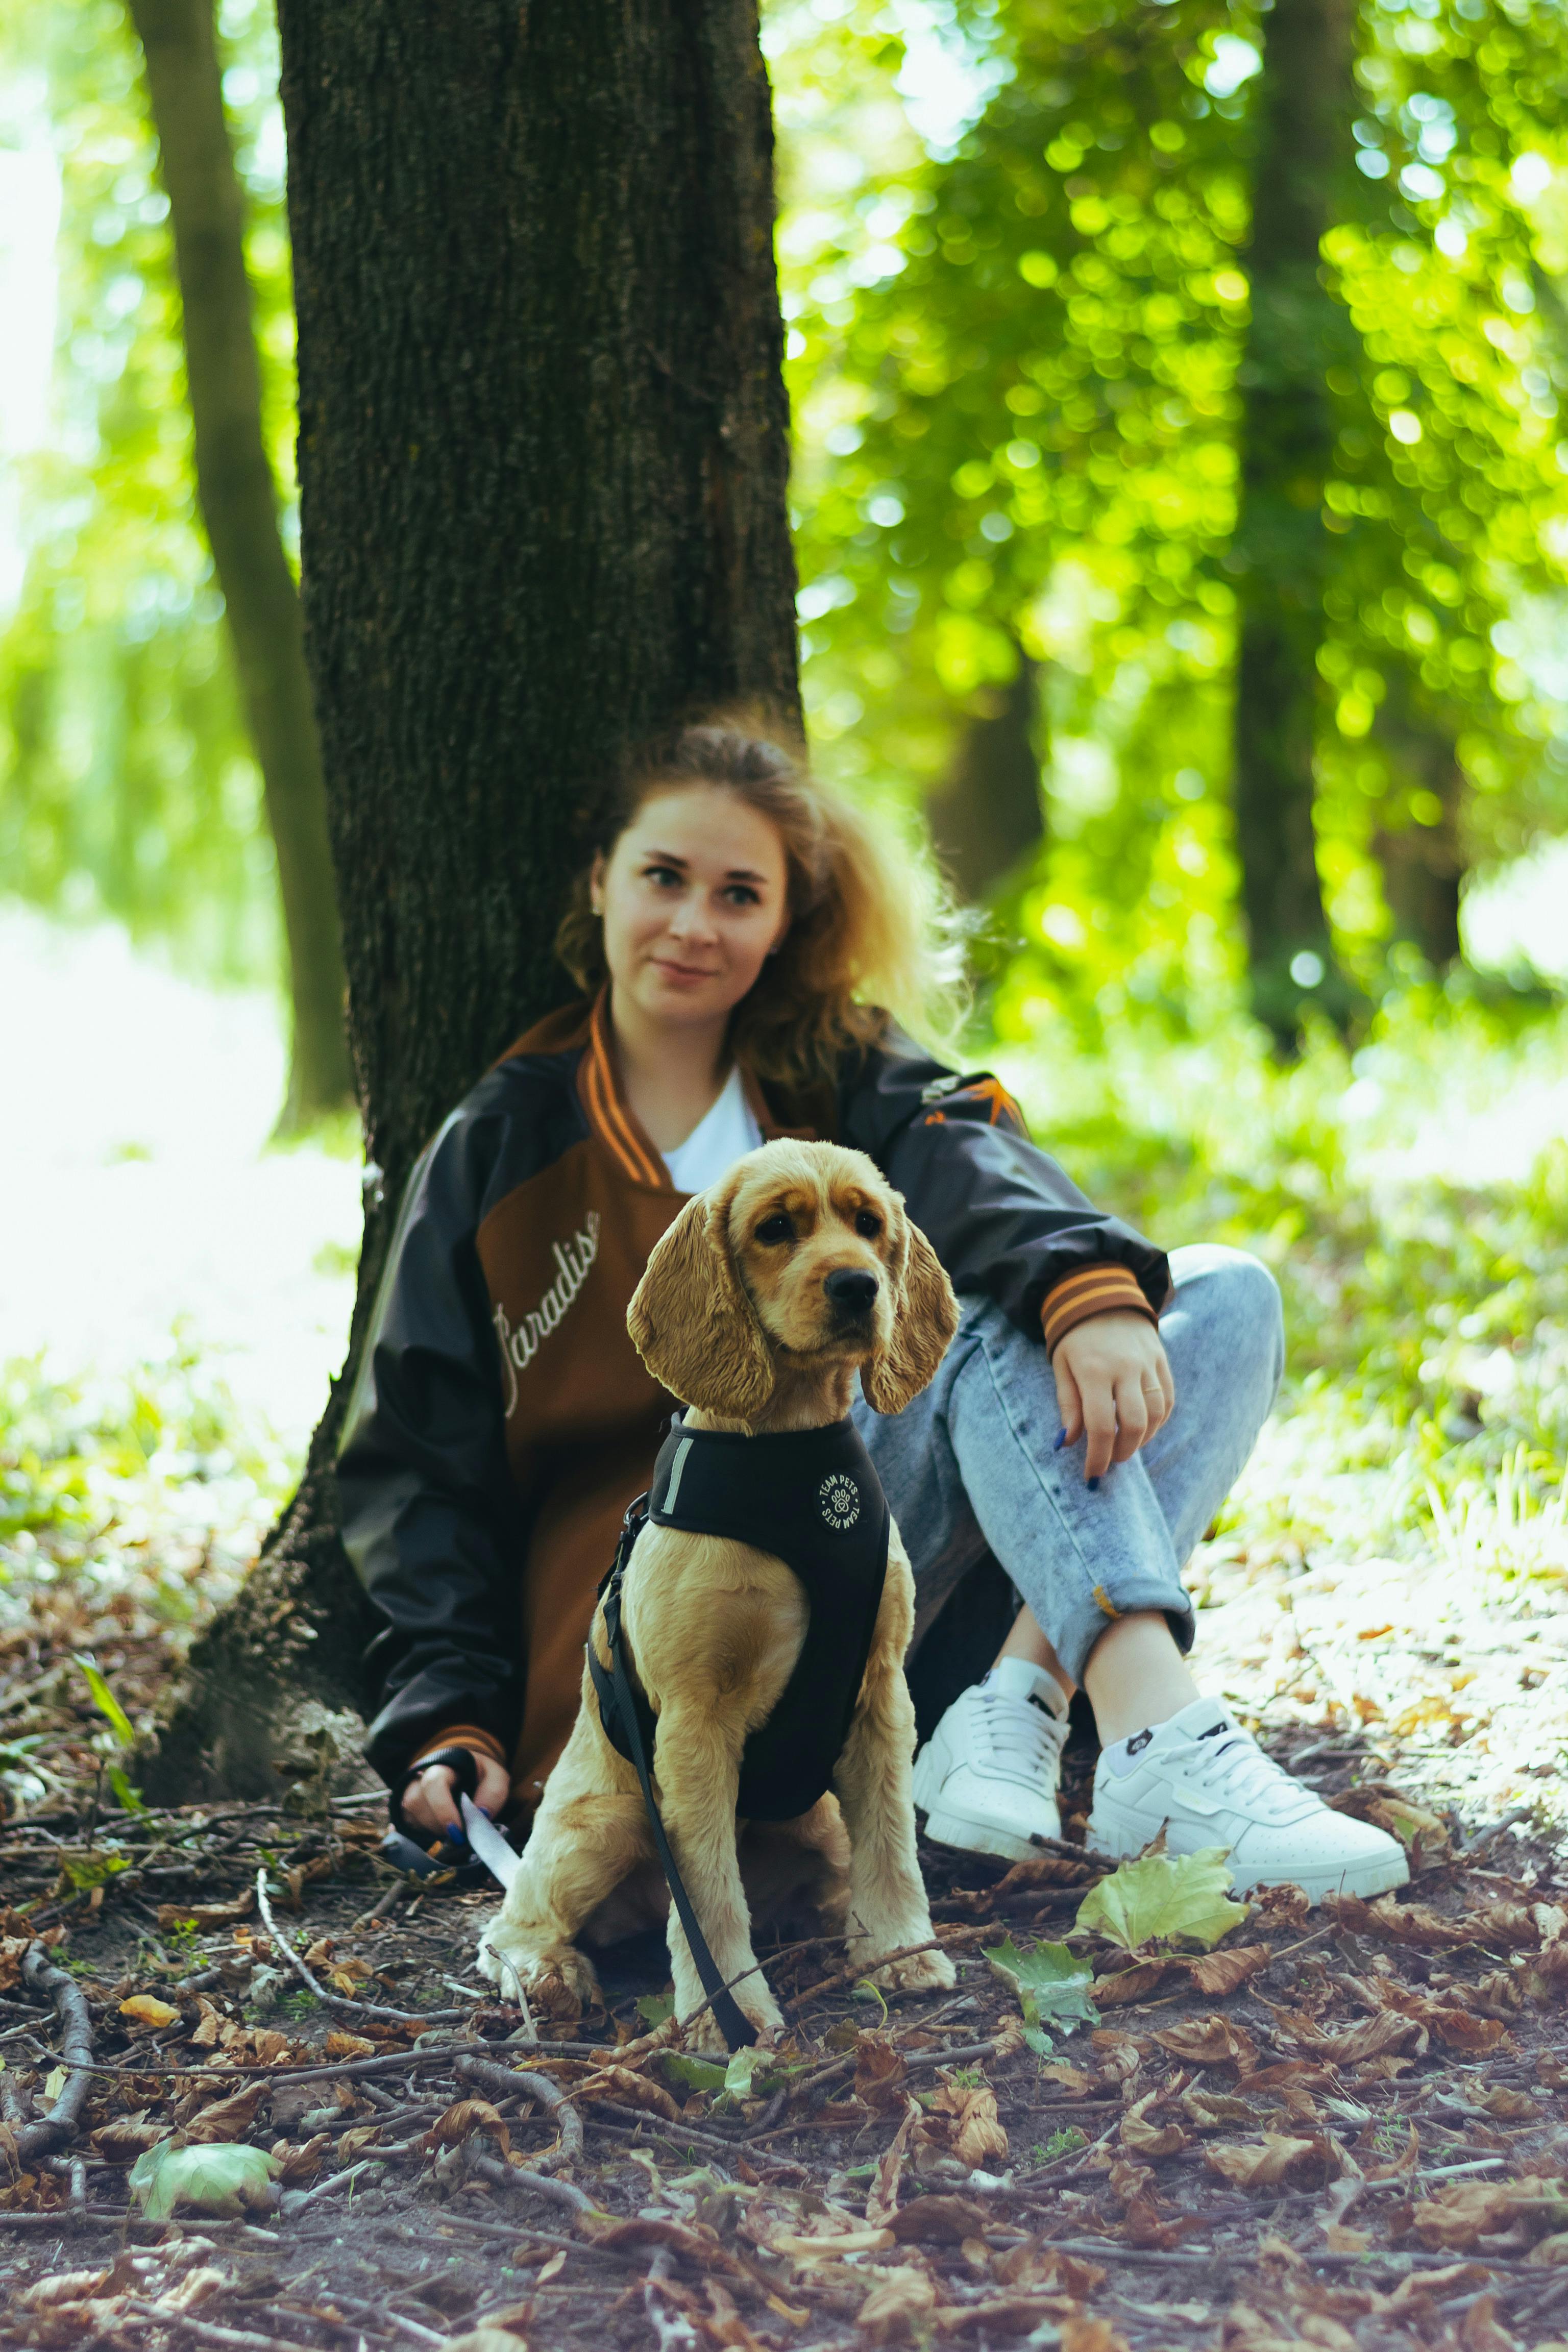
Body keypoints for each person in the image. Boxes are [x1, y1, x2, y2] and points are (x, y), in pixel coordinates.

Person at [338, 716, 1406, 1905]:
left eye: (739, 894)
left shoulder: (840, 1071)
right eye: (663, 878)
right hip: (659, 1638)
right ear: (600, 881)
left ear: (785, 920)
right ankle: (1137, 1729)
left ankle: (1018, 1713)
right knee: (969, 1331)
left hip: (873, 1594)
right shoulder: (502, 1141)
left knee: (1220, 1298)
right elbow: (417, 1463)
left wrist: (1084, 1288)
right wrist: (449, 1713)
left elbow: (970, 1155)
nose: (695, 923)